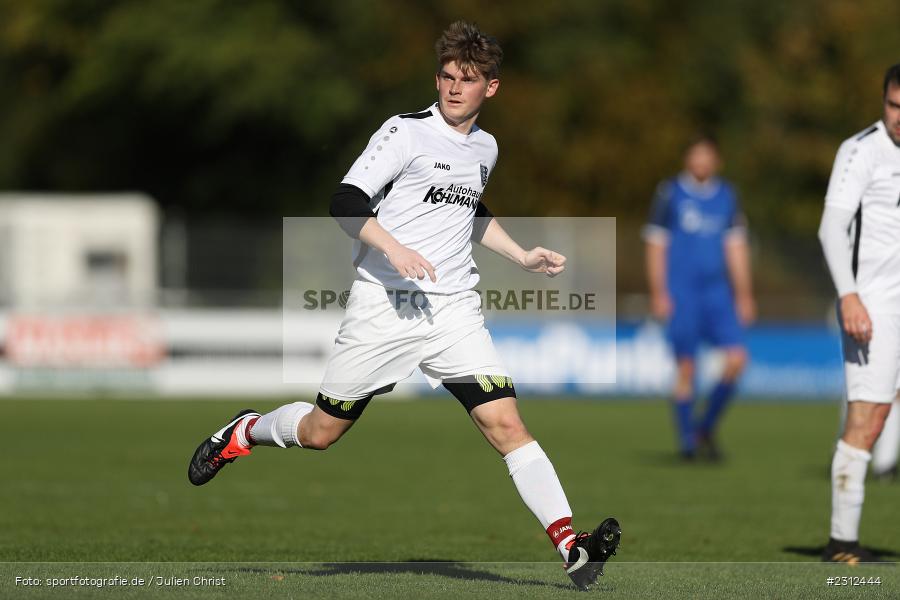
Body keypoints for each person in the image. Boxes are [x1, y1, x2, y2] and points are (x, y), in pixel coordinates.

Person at [186, 21, 619, 590]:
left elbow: (469, 209)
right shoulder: (404, 132)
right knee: (321, 432)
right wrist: (395, 247)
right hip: (384, 307)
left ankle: (572, 548)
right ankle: (245, 431)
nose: (453, 88)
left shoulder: (486, 146)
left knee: (506, 422)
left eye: (467, 80)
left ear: (492, 88)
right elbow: (345, 201)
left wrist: (520, 255)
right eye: (445, 76)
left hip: (453, 310)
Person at [817, 63, 900, 563]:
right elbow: (831, 230)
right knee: (867, 420)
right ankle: (841, 543)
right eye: (894, 106)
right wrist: (848, 295)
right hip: (874, 304)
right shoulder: (861, 151)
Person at [643, 136, 755, 460]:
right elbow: (655, 244)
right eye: (696, 155)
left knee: (737, 359)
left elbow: (736, 247)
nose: (701, 161)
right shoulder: (671, 193)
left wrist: (744, 295)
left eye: (707, 156)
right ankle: (688, 445)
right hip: (682, 293)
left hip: (718, 294)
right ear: (687, 159)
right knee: (687, 368)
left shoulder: (727, 196)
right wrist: (659, 291)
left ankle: (704, 427)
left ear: (717, 161)